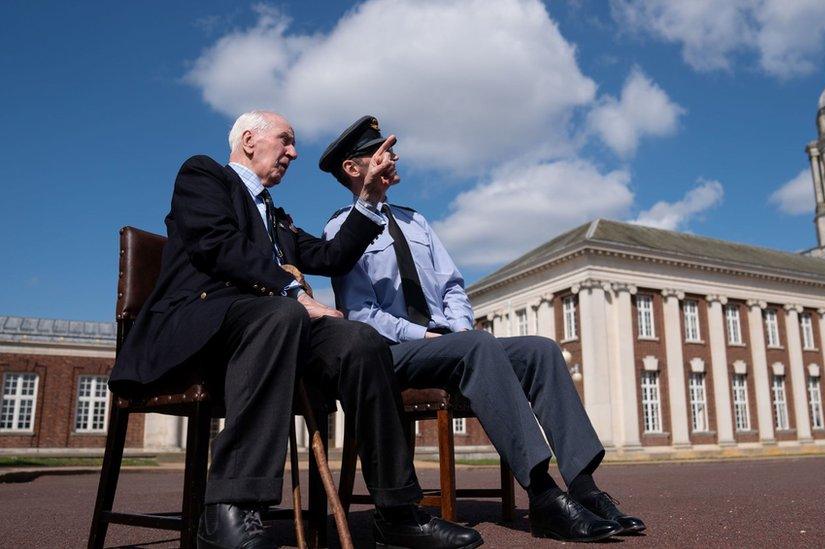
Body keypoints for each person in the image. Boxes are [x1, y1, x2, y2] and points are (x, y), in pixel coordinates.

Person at [110, 111, 482, 549]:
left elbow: (331, 257)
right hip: (201, 326)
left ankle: (397, 511)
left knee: (360, 340)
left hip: (269, 329)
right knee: (282, 314)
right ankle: (228, 509)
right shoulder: (204, 175)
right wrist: (291, 290)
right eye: (285, 140)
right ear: (249, 140)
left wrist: (369, 198)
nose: (294, 152)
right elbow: (217, 245)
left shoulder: (277, 219)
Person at [321, 116, 646, 543]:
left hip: (453, 344)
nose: (394, 157)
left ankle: (584, 489)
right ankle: (545, 496)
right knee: (476, 346)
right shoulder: (342, 230)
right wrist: (429, 339)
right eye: (383, 152)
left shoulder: (417, 222)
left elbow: (453, 284)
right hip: (394, 354)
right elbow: (362, 314)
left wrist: (457, 329)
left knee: (541, 350)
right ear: (353, 168)